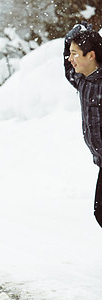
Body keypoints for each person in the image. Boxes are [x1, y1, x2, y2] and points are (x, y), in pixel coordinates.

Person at [64, 22, 102, 227]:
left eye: (75, 53)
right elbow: (67, 64)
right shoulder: (82, 80)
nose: (71, 59)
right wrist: (71, 37)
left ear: (91, 55)